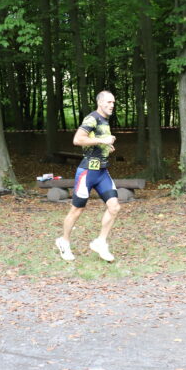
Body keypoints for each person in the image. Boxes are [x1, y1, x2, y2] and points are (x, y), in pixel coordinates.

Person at [54, 91, 121, 262]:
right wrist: (103, 141)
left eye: (113, 102)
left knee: (114, 207)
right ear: (100, 103)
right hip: (87, 172)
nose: (112, 105)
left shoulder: (105, 120)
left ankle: (100, 242)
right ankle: (64, 241)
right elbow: (78, 140)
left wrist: (106, 147)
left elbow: (94, 141)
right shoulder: (92, 118)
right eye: (108, 102)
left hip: (102, 172)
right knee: (77, 210)